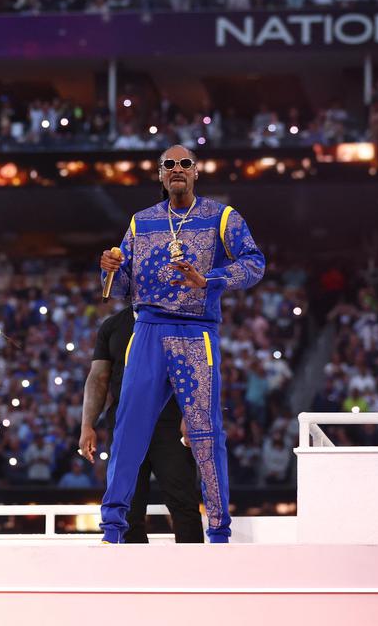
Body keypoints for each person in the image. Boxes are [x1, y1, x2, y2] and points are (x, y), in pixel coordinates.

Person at [99, 145, 265, 544]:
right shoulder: (141, 222)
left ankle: (220, 531)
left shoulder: (221, 217)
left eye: (184, 164)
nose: (177, 169)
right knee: (127, 430)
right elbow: (121, 287)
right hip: (149, 328)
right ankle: (112, 530)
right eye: (168, 165)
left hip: (196, 331)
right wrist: (109, 267)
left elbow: (254, 263)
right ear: (159, 174)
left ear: (196, 172)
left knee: (206, 432)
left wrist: (209, 279)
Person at [80, 308, 204, 543]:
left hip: (169, 424)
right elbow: (98, 377)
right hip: (124, 424)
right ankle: (132, 574)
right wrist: (87, 424)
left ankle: (193, 574)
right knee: (127, 507)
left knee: (183, 502)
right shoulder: (113, 325)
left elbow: (193, 370)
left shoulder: (177, 319)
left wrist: (191, 415)